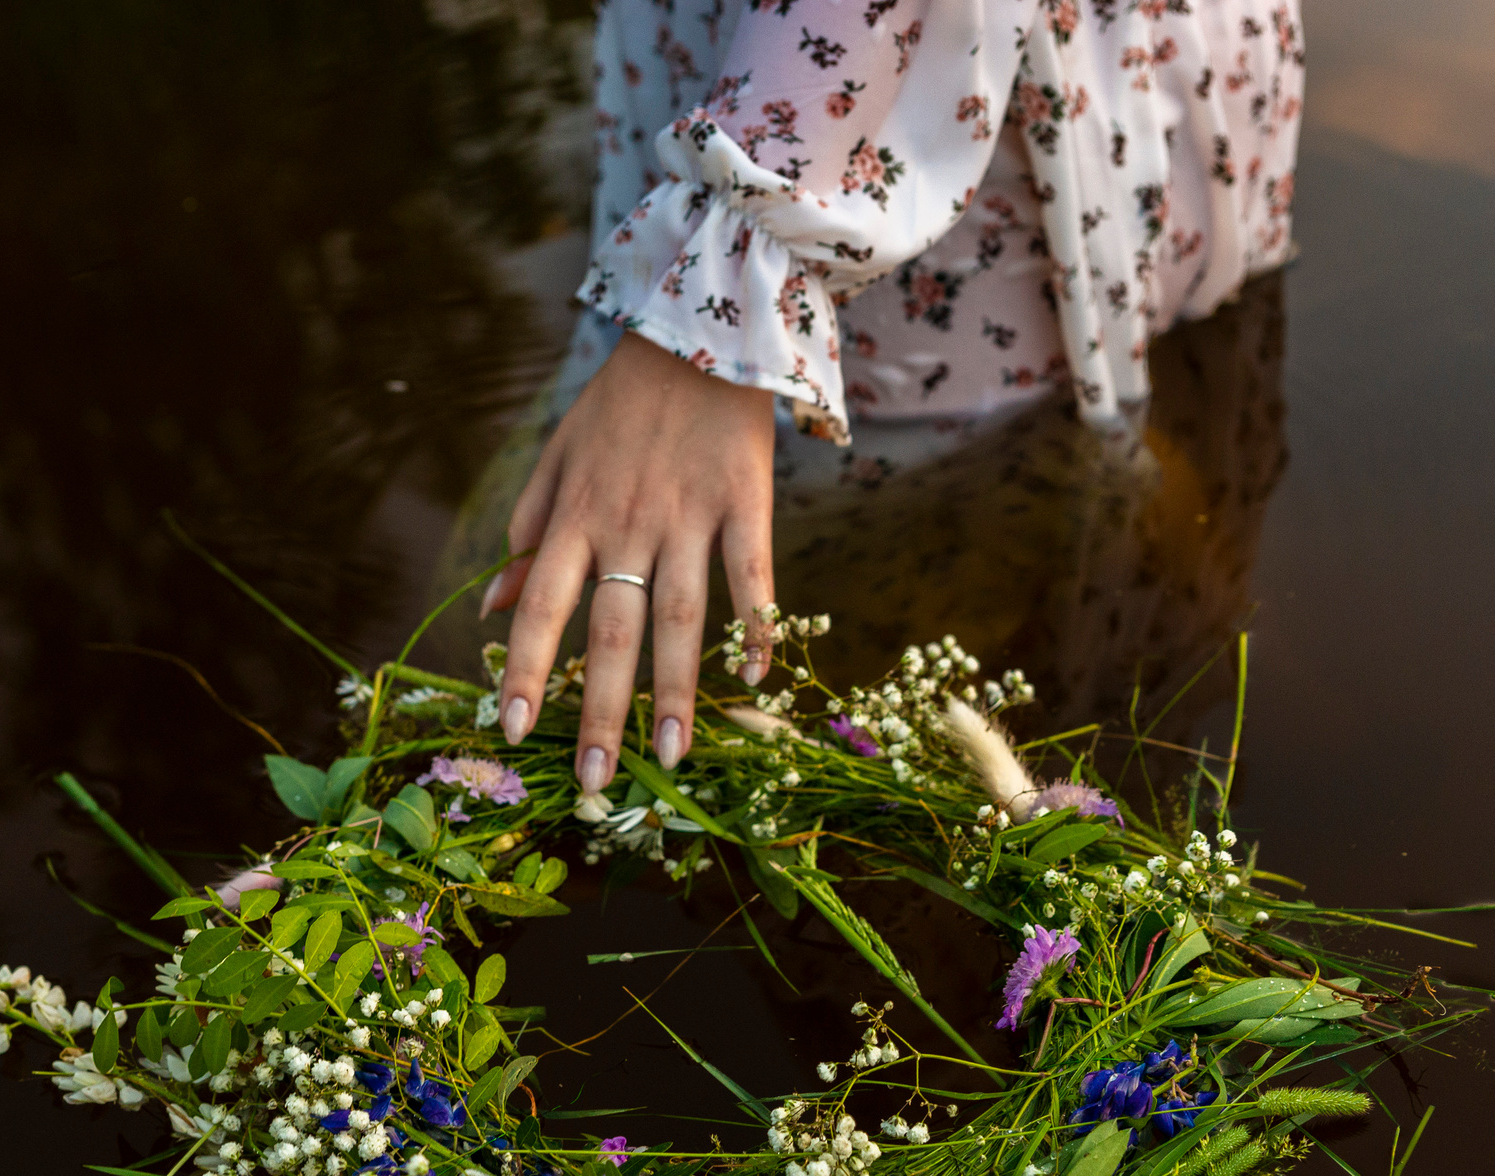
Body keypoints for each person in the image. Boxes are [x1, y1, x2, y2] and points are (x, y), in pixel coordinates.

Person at [479, 0, 1304, 795]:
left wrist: (710, 308)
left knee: (912, 515)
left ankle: (1107, 509)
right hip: (772, 66)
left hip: (900, 81)